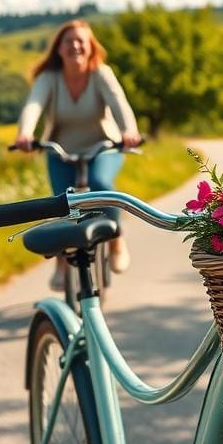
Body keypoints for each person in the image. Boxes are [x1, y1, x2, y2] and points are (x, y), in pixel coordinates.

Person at [14, 19, 142, 290]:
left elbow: (120, 103)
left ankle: (116, 239)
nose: (75, 46)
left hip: (103, 147)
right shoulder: (49, 78)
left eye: (81, 41)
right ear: (59, 49)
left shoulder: (101, 73)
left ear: (91, 47)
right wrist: (25, 133)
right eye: (68, 41)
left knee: (101, 185)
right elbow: (34, 106)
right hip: (61, 151)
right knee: (63, 203)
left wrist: (129, 131)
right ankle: (62, 262)